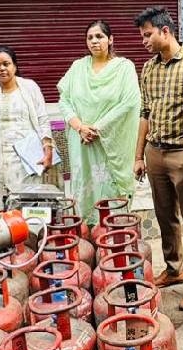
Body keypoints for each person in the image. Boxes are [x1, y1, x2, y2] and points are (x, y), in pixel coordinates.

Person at [133, 6, 183, 310]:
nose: (144, 41)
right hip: (155, 152)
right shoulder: (148, 68)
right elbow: (145, 113)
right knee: (164, 215)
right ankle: (174, 268)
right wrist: (139, 155)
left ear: (165, 31)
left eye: (147, 35)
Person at [57, 20, 140, 225]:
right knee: (85, 192)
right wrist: (79, 127)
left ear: (110, 40)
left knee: (111, 192)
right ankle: (90, 234)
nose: (94, 41)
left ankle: (115, 234)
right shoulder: (78, 67)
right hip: (82, 143)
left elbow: (129, 102)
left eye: (99, 36)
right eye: (90, 37)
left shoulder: (124, 68)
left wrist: (96, 128)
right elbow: (64, 100)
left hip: (109, 144)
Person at [0, 46, 53, 210]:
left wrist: (48, 151)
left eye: (6, 64)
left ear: (15, 66)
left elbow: (42, 119)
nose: (2, 68)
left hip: (26, 157)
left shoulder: (30, 87)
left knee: (27, 203)